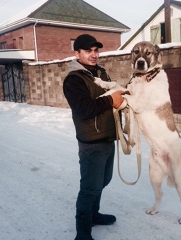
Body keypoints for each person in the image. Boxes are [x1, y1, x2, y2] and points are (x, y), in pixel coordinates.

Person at [63, 34, 124, 240]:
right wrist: (110, 100)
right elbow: (83, 109)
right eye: (88, 51)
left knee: (104, 180)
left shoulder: (100, 72)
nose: (93, 55)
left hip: (107, 137)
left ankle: (94, 215)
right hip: (91, 142)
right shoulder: (74, 79)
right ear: (77, 53)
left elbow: (111, 96)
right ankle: (82, 233)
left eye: (96, 51)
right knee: (90, 187)